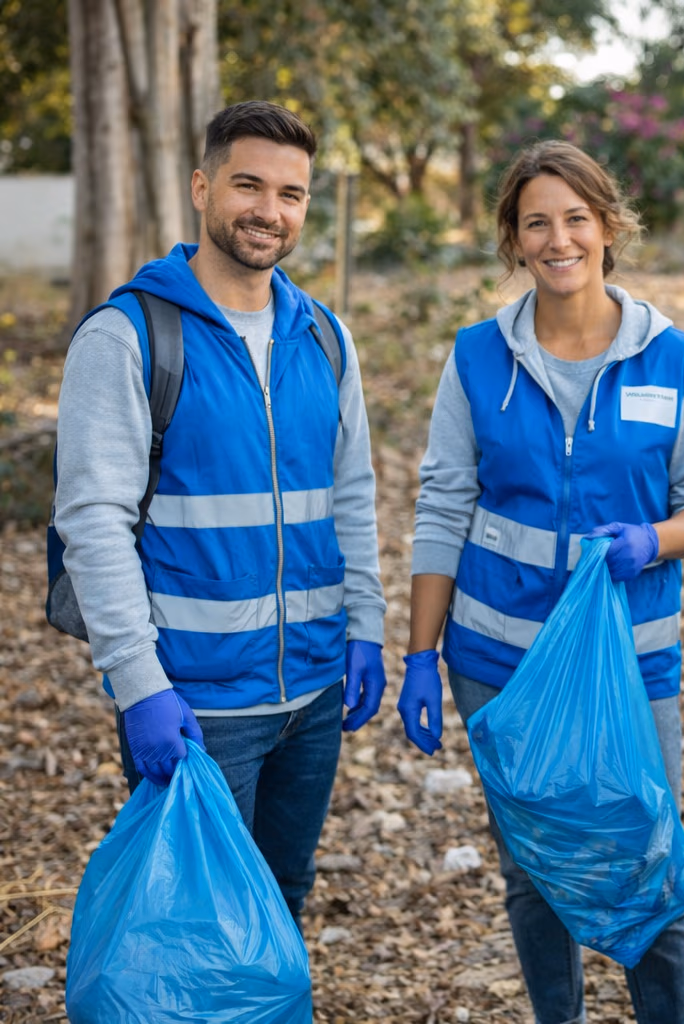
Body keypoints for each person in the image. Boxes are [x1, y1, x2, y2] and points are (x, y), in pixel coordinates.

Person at [398, 139, 684, 1024]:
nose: (559, 240)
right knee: (534, 871)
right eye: (536, 222)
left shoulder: (672, 358)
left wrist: (653, 541)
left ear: (608, 227)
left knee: (647, 862)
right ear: (513, 238)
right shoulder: (478, 358)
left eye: (576, 219)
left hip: (630, 664)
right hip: (500, 661)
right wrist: (420, 655)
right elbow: (443, 506)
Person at [53, 101, 388, 920]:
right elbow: (92, 522)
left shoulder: (324, 337)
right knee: (200, 924)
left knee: (282, 901)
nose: (270, 211)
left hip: (314, 692)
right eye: (248, 185)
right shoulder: (129, 335)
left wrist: (368, 626)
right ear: (203, 188)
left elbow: (352, 492)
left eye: (291, 194)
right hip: (196, 703)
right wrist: (138, 685)